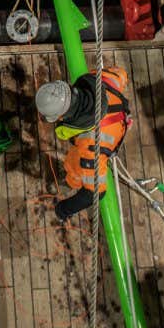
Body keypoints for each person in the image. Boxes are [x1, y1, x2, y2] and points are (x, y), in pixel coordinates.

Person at [36, 65, 132, 221]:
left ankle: (72, 181)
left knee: (75, 165)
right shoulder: (98, 79)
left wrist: (63, 210)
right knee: (77, 161)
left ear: (60, 116)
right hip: (115, 123)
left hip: (101, 141)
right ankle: (71, 180)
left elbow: (96, 192)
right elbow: (121, 74)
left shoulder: (89, 147)